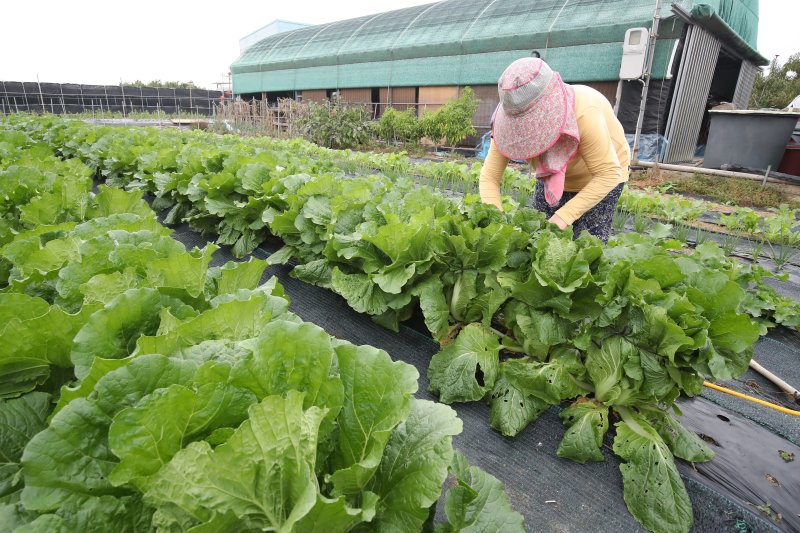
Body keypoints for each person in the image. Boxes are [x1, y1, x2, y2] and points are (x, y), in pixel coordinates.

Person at [479, 58, 630, 243]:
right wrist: (497, 223)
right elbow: (490, 177)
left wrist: (562, 217)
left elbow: (608, 174)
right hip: (550, 176)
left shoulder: (585, 111)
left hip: (600, 176)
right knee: (537, 241)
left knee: (587, 246)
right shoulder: (509, 123)